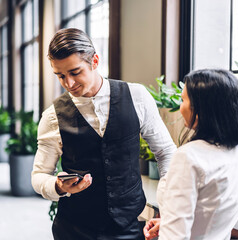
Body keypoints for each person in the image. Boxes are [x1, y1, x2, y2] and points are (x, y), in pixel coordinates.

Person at [31, 28, 176, 239]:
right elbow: (39, 176)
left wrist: (168, 207)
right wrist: (58, 186)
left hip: (131, 227)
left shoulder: (137, 96)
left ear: (95, 61)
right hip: (75, 229)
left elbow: (166, 151)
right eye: (60, 76)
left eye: (75, 72)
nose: (68, 83)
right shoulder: (52, 116)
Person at [143, 69, 238, 240]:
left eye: (183, 100)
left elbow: (175, 237)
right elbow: (236, 228)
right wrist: (169, 223)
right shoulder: (237, 154)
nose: (180, 107)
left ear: (201, 111)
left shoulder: (188, 157)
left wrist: (171, 227)